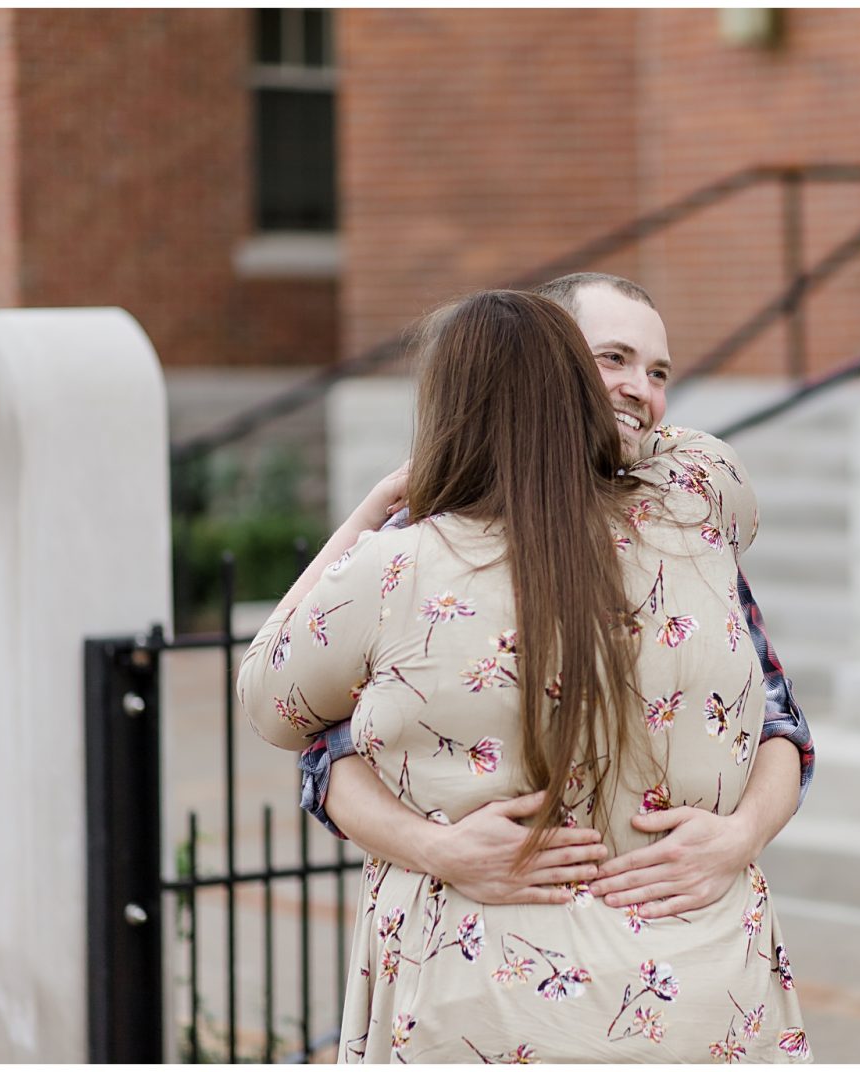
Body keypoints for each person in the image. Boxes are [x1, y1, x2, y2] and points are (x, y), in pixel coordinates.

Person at [239, 289, 809, 1062]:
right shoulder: (695, 512)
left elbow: (274, 705)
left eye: (657, 371)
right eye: (609, 361)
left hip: (488, 1003)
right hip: (703, 992)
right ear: (570, 379)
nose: (640, 390)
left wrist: (375, 510)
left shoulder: (395, 568)